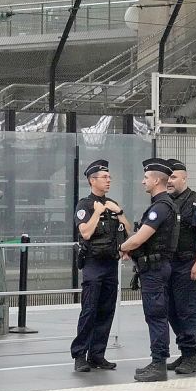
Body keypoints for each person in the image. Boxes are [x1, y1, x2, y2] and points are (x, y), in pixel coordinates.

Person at [118, 158, 180, 382]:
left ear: (156, 180)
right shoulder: (162, 205)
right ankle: (157, 361)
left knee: (155, 315)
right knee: (155, 315)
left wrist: (123, 247)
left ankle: (159, 364)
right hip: (154, 267)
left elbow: (140, 237)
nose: (143, 181)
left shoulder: (161, 207)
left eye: (146, 178)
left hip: (155, 269)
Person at [71, 159, 131, 372]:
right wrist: (97, 212)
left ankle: (97, 354)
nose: (108, 180)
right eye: (104, 177)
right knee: (89, 310)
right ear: (92, 180)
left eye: (109, 177)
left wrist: (119, 211)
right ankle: (80, 355)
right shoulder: (84, 205)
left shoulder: (112, 204)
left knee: (107, 310)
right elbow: (85, 232)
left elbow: (129, 230)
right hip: (93, 265)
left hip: (110, 265)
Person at [161, 159, 196, 376]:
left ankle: (191, 356)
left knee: (188, 310)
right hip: (170, 264)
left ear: (184, 177)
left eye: (173, 177)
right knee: (172, 310)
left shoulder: (195, 202)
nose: (169, 181)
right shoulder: (166, 202)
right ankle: (184, 351)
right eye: (167, 178)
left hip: (188, 264)